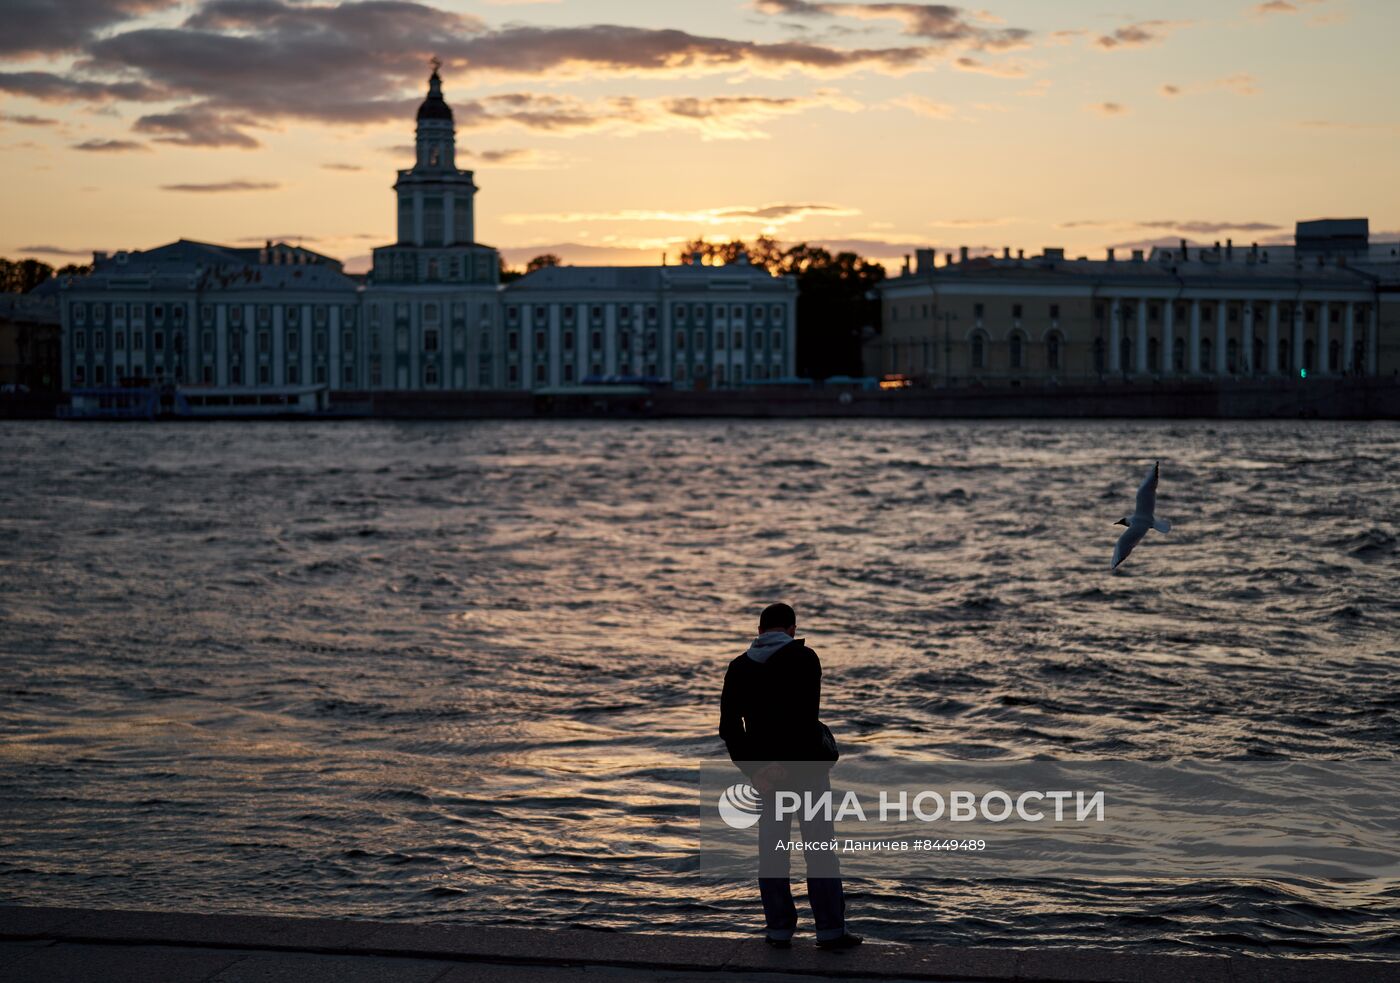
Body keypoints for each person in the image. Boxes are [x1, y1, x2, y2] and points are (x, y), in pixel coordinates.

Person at [718, 602, 862, 951]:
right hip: (807, 769)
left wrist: (756, 769)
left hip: (766, 777)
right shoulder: (805, 658)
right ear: (792, 629)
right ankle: (830, 931)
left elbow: (729, 728)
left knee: (772, 852)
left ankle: (779, 930)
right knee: (820, 850)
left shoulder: (738, 667)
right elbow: (804, 718)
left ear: (759, 631)